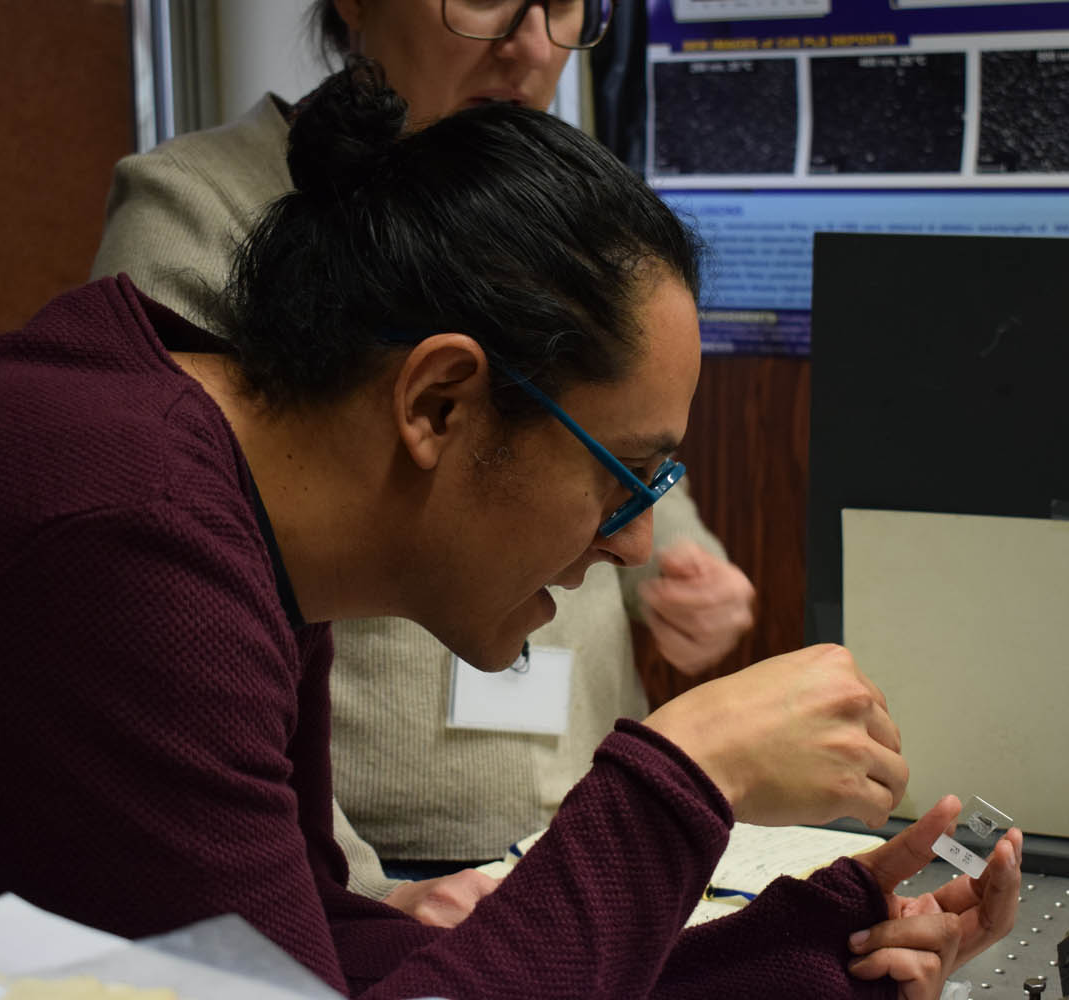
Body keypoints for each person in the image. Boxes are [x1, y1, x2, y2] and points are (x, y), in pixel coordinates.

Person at [0, 63, 1020, 998]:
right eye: (625, 476)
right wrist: (680, 777)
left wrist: (804, 952)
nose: (634, 546)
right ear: (439, 401)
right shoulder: (125, 544)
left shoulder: (229, 497)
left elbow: (309, 961)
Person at [89, 0, 757, 919]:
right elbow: (179, 596)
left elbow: (618, 431)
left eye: (565, 7)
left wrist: (687, 565)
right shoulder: (203, 204)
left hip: (578, 803)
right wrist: (355, 902)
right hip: (378, 851)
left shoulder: (565, 214)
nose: (533, 48)